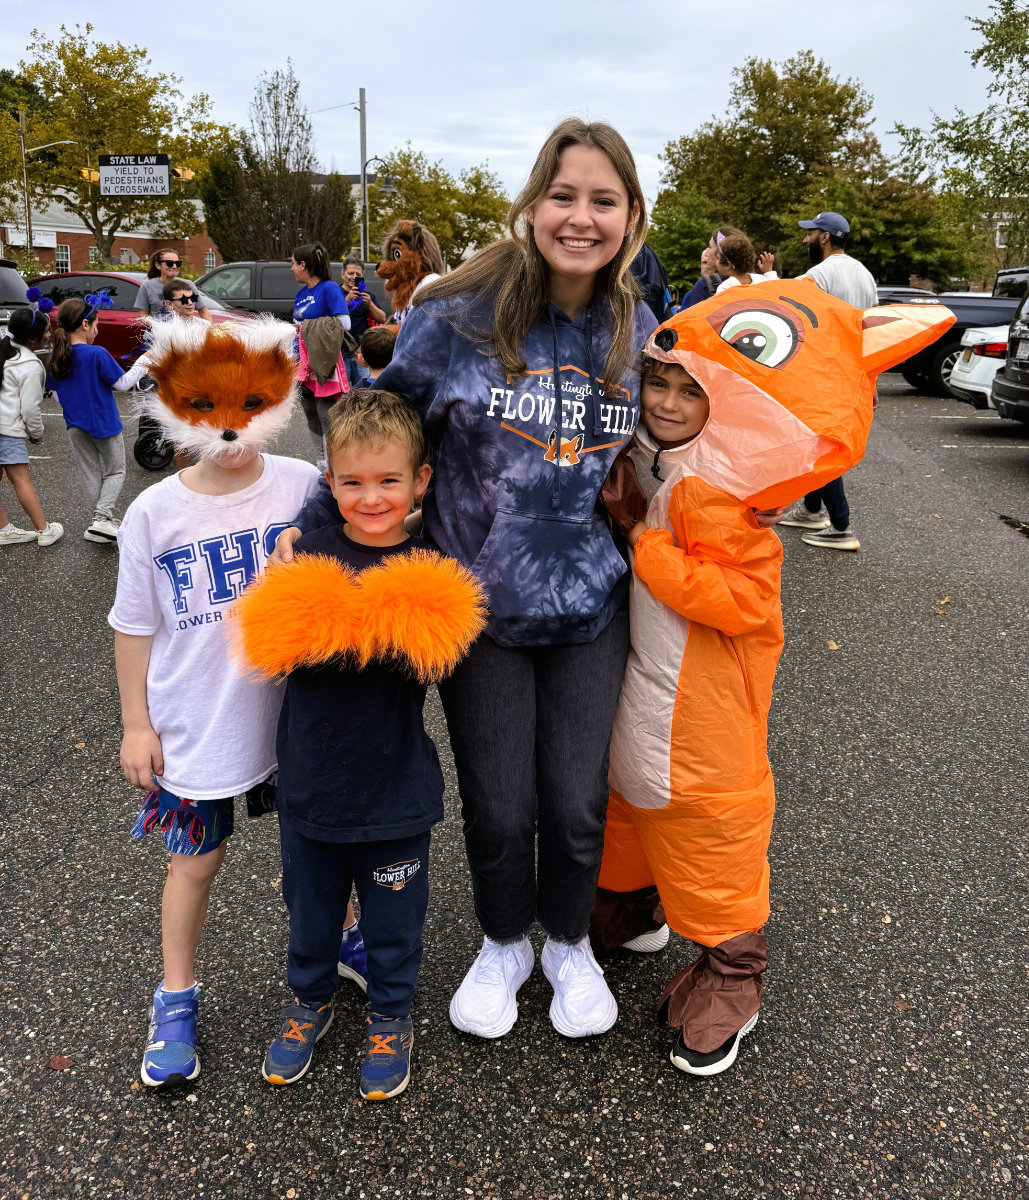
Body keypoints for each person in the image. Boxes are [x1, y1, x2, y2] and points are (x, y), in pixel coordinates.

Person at [273, 118, 657, 1041]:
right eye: (563, 195)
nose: (580, 217)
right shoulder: (456, 314)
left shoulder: (634, 324)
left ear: (630, 216)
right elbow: (381, 426)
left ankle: (565, 943)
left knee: (571, 801)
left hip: (589, 603)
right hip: (477, 605)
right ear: (532, 206)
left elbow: (680, 436)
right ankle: (500, 941)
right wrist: (313, 537)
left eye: (603, 200)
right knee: (497, 801)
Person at [234, 391, 485, 1099]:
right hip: (311, 786)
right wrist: (370, 622)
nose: (370, 497)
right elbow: (273, 645)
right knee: (310, 912)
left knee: (394, 918)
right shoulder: (303, 553)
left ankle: (390, 1013)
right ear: (328, 481)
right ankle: (307, 999)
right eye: (351, 482)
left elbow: (430, 651)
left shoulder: (435, 567)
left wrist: (333, 621)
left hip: (396, 791)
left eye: (387, 481)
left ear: (419, 482)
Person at [108, 316, 322, 1088]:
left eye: (249, 405)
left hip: (296, 720)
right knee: (195, 860)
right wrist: (136, 723)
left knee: (320, 849)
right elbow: (133, 626)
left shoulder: (303, 484)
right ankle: (175, 996)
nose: (229, 425)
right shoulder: (153, 513)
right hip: (198, 722)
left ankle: (346, 946)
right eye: (205, 406)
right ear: (170, 402)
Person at [779, 211, 877, 551]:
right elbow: (871, 333)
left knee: (821, 448)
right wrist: (871, 381)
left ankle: (841, 526)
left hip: (822, 373)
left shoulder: (818, 274)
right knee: (820, 442)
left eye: (811, 233)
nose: (806, 239)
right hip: (851, 373)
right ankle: (811, 510)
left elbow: (805, 326)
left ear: (825, 237)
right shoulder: (865, 275)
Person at [46, 297, 128, 543]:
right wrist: (145, 363)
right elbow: (122, 384)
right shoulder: (97, 353)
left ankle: (99, 522)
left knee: (90, 473)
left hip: (75, 424)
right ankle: (102, 519)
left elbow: (58, 396)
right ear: (84, 324)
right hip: (104, 423)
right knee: (115, 471)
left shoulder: (58, 355)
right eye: (96, 325)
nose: (97, 330)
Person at [0, 308, 63, 546]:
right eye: (47, 329)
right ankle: (44, 530)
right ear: (33, 338)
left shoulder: (4, 351)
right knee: (21, 479)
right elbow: (29, 409)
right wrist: (36, 433)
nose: (50, 333)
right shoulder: (30, 365)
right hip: (7, 430)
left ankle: (3, 529)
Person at [291, 242, 350, 461]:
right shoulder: (300, 294)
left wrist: (308, 325)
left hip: (325, 364)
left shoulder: (329, 288)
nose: (291, 268)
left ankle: (337, 462)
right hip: (303, 366)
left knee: (328, 418)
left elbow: (344, 324)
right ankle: (320, 462)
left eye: (293, 263)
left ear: (303, 265)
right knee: (311, 416)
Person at [341, 258, 387, 385]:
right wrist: (346, 300)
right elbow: (328, 317)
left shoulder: (367, 295)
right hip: (340, 353)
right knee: (343, 395)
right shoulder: (336, 294)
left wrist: (370, 304)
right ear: (342, 274)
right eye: (351, 273)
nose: (354, 277)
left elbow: (382, 318)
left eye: (358, 275)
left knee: (363, 390)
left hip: (362, 353)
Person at [134, 249, 211, 321]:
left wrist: (209, 331)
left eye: (177, 263)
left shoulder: (188, 285)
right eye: (169, 263)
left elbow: (203, 311)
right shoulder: (147, 286)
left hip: (182, 334)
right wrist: (156, 327)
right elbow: (142, 315)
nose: (174, 266)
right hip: (157, 334)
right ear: (158, 265)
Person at [712, 230, 777, 293]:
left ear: (728, 265)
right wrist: (769, 272)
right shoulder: (761, 280)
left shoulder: (725, 288)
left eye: (718, 258)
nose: (716, 261)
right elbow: (776, 290)